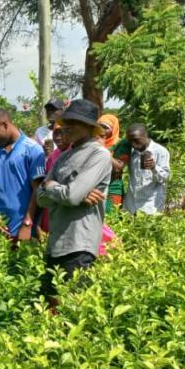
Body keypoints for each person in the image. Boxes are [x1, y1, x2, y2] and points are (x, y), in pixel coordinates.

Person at [36, 99, 112, 306]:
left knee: (72, 309)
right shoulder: (63, 156)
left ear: (89, 127)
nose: (66, 127)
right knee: (50, 306)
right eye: (65, 122)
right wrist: (70, 193)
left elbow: (70, 196)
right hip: (56, 243)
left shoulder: (99, 155)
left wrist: (53, 186)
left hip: (79, 245)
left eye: (73, 122)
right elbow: (40, 198)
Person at [0, 108, 47, 242]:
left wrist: (27, 223)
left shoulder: (32, 149)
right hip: (1, 226)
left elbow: (37, 189)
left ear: (5, 125)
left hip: (24, 227)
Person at [121, 124, 170, 215]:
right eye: (130, 141)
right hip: (131, 204)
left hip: (150, 205)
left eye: (136, 140)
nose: (133, 144)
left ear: (145, 135)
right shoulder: (131, 151)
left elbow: (165, 178)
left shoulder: (160, 151)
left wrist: (154, 168)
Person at [39, 124, 69, 234]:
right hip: (52, 208)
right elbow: (44, 185)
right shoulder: (52, 157)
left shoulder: (76, 153)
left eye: (62, 133)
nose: (58, 138)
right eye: (56, 134)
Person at [98, 114, 124, 210]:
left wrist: (101, 148)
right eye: (99, 126)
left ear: (113, 130)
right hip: (95, 188)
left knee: (111, 216)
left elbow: (118, 168)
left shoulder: (121, 144)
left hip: (113, 188)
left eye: (105, 127)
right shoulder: (93, 142)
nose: (101, 130)